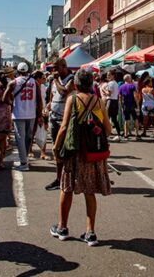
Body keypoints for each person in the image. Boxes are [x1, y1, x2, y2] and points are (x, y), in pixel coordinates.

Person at [50, 69, 112, 246]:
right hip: (93, 153)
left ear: (76, 85)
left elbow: (63, 127)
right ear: (92, 84)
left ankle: (62, 227)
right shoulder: (99, 101)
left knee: (67, 187)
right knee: (90, 190)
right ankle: (90, 232)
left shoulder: (73, 99)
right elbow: (108, 130)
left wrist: (55, 147)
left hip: (75, 152)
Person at [4, 62, 42, 171]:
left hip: (18, 114)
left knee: (20, 138)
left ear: (18, 71)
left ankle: (24, 162)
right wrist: (39, 114)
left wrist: (12, 103)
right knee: (28, 138)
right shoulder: (35, 82)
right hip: (31, 114)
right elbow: (39, 101)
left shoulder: (13, 82)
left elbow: (4, 98)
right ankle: (25, 158)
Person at [46, 58, 75, 190]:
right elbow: (53, 95)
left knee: (67, 149)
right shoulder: (55, 81)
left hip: (65, 119)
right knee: (56, 148)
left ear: (64, 66)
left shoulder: (71, 79)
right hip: (54, 117)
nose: (54, 71)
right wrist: (49, 105)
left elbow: (64, 92)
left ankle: (70, 177)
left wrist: (55, 80)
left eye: (56, 68)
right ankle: (59, 178)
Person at [31, 70, 50, 160]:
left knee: (44, 131)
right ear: (38, 78)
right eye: (43, 78)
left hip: (42, 110)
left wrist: (45, 108)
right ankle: (30, 150)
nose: (45, 79)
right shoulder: (32, 86)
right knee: (32, 131)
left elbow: (45, 99)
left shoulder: (43, 87)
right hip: (33, 111)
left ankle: (43, 153)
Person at [103, 70, 123, 142]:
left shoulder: (111, 83)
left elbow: (109, 93)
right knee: (114, 119)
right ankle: (119, 134)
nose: (107, 76)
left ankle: (106, 134)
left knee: (106, 118)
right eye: (107, 75)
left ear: (113, 75)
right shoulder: (115, 83)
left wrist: (103, 90)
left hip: (110, 101)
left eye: (109, 75)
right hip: (115, 101)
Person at [119, 74, 137, 140]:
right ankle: (137, 133)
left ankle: (126, 134)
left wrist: (121, 105)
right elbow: (135, 96)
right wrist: (137, 104)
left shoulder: (121, 87)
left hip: (125, 105)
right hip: (132, 104)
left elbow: (120, 97)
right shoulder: (132, 86)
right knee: (135, 119)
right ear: (128, 79)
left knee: (126, 119)